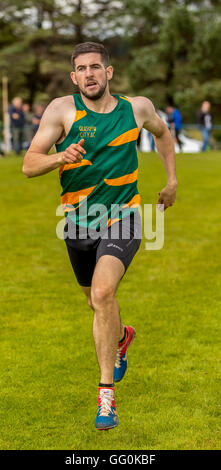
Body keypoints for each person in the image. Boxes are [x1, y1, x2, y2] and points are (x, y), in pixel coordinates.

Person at [22, 42, 177, 431]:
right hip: (78, 221)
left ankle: (106, 396)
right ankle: (122, 336)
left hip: (124, 215)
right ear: (74, 77)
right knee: (95, 304)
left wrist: (171, 179)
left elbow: (163, 134)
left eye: (95, 67)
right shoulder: (62, 110)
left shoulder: (136, 107)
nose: (89, 73)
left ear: (108, 72)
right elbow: (29, 164)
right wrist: (60, 157)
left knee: (103, 293)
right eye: (81, 69)